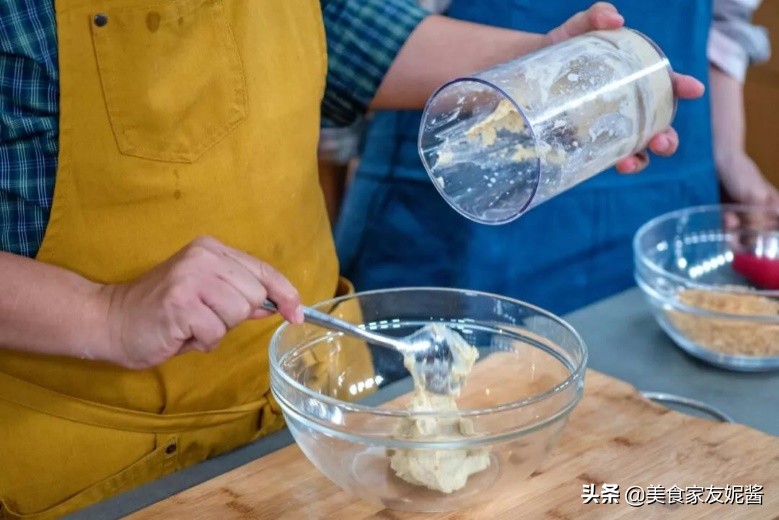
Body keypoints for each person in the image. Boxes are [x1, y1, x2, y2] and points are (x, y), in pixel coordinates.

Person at [0, 1, 700, 517]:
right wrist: (104, 313)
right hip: (87, 461)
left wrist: (546, 68)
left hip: (318, 419)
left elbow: (333, 26)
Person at [334, 0, 776, 316]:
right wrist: (539, 63)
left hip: (662, 178)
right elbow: (340, 31)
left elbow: (725, 21)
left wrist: (730, 158)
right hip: (466, 173)